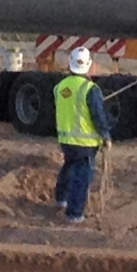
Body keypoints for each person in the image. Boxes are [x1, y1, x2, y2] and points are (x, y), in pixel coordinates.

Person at [53, 46, 112, 224]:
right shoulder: (90, 89)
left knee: (68, 167)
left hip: (66, 139)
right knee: (82, 177)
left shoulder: (60, 87)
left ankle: (60, 199)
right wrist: (106, 135)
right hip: (85, 142)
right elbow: (97, 116)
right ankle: (74, 213)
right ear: (89, 65)